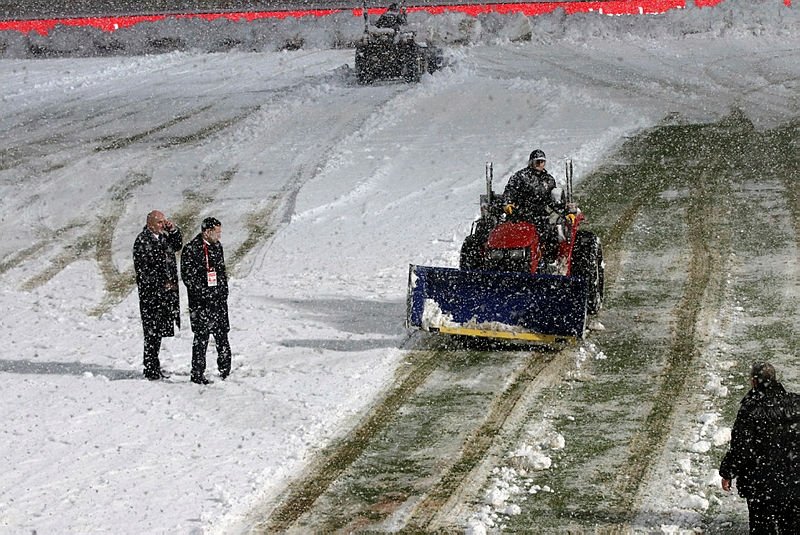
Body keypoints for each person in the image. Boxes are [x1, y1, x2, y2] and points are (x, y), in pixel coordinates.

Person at [719, 362, 800, 533]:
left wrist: (728, 472)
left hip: (761, 486)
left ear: (754, 382)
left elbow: (742, 448)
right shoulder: (796, 404)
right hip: (794, 484)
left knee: (763, 528)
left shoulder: (750, 410)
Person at [180, 217, 231, 385]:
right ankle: (197, 372)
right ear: (207, 232)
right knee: (201, 339)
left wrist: (222, 291)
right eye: (217, 232)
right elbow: (189, 278)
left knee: (222, 336)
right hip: (201, 304)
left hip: (218, 302)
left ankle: (225, 369)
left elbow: (221, 272)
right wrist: (206, 294)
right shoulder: (191, 249)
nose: (219, 236)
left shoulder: (217, 247)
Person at [132, 210, 182, 381]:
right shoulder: (142, 241)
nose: (163, 225)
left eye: (163, 221)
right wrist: (161, 283)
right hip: (151, 297)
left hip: (164, 296)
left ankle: (154, 366)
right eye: (159, 222)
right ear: (150, 223)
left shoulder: (163, 237)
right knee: (152, 334)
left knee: (158, 333)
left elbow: (177, 245)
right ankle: (150, 368)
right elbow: (144, 271)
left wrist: (173, 230)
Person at [502, 149, 565, 265]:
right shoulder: (520, 176)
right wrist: (507, 203)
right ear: (531, 162)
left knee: (551, 235)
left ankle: (546, 261)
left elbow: (554, 200)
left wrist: (565, 211)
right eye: (537, 161)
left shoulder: (549, 180)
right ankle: (508, 260)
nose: (540, 164)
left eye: (542, 162)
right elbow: (509, 191)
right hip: (520, 215)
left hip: (540, 216)